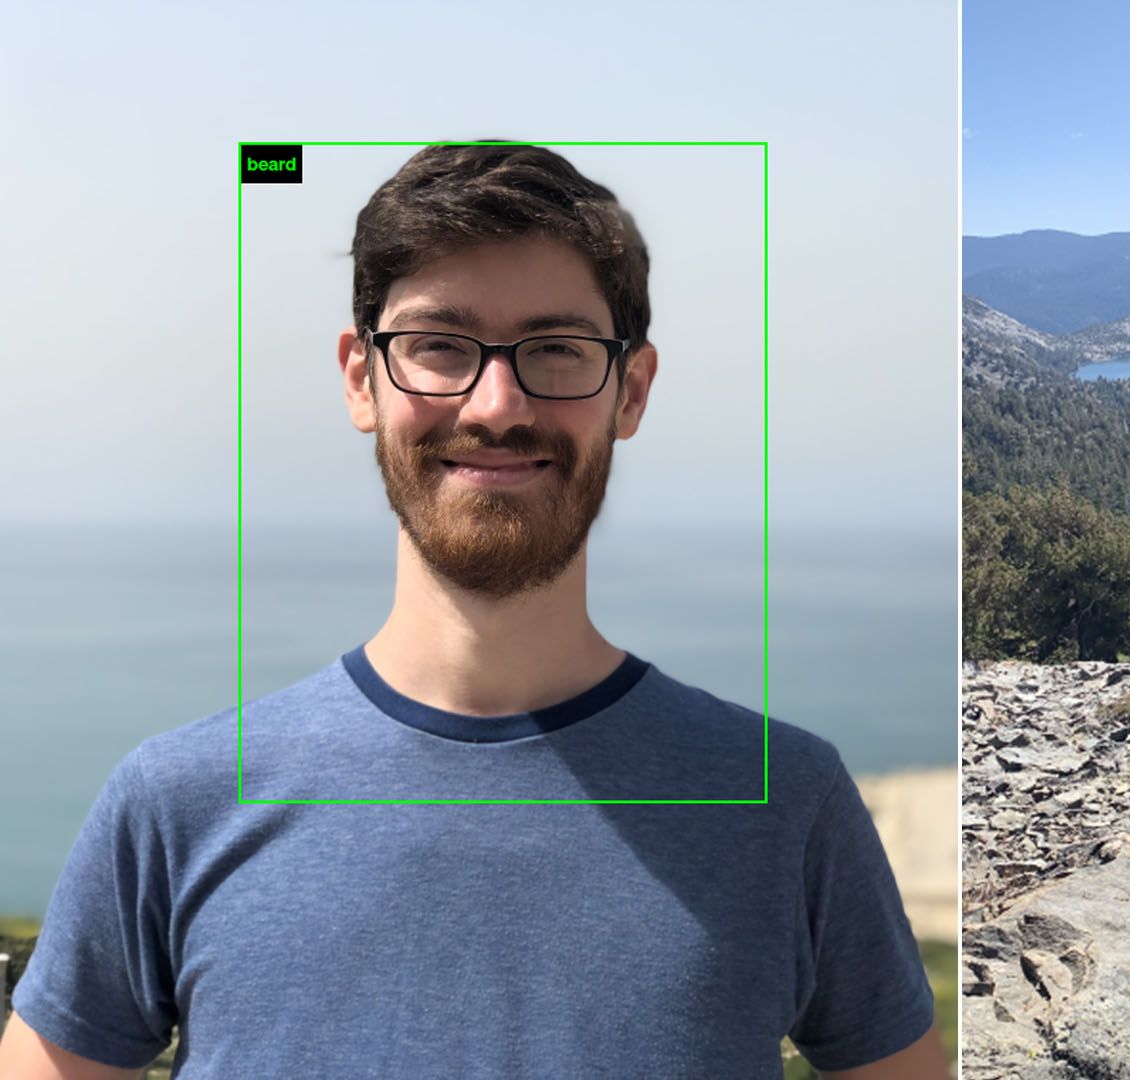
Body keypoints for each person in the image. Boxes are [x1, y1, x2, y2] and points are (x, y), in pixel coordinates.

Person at [0, 143, 946, 1079]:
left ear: (633, 389)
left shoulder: (786, 803)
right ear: (361, 378)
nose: (496, 404)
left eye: (557, 350)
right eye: (439, 346)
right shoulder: (175, 803)